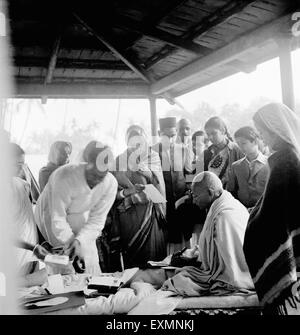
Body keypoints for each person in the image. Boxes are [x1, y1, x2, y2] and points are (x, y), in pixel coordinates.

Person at [131, 172, 254, 296]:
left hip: (231, 276)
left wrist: (197, 260)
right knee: (162, 268)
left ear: (210, 192)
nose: (194, 201)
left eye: (196, 196)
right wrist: (194, 254)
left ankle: (128, 278)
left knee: (178, 280)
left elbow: (228, 269)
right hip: (216, 267)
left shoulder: (224, 216)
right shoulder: (224, 203)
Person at [243, 103, 300, 315]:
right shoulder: (286, 157)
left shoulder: (286, 161)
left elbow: (274, 215)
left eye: (261, 132)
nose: (261, 138)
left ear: (274, 128)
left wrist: (254, 222)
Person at [34, 141, 118, 275]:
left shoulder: (110, 183)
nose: (96, 181)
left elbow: (97, 220)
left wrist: (80, 241)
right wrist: (70, 242)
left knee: (88, 253)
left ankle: (93, 288)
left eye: (101, 176)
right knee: (64, 259)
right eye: (93, 175)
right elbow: (58, 218)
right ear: (85, 164)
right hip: (49, 214)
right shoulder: (63, 176)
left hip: (80, 213)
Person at [104, 125, 167, 269]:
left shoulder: (153, 156)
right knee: (133, 257)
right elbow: (113, 188)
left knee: (152, 257)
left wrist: (149, 174)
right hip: (128, 214)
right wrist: (129, 193)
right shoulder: (119, 160)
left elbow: (159, 186)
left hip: (151, 213)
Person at [10, 143, 50, 287]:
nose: (22, 168)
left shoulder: (21, 184)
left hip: (29, 254)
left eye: (23, 164)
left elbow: (32, 212)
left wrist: (40, 242)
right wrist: (32, 247)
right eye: (17, 164)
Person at [152, 117, 191, 253]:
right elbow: (150, 181)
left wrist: (187, 195)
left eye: (173, 135)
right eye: (166, 136)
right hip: (163, 204)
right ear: (159, 133)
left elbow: (189, 174)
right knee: (166, 240)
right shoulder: (152, 152)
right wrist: (158, 203)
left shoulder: (184, 149)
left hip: (182, 202)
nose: (170, 139)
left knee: (185, 242)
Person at [227, 126, 269, 208]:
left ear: (255, 141)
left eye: (243, 143)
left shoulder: (269, 163)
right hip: (241, 210)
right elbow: (231, 191)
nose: (241, 147)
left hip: (263, 210)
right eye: (238, 144)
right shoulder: (236, 166)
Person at [204, 116, 244, 188]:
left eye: (213, 133)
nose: (210, 137)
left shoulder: (237, 150)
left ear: (223, 131)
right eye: (208, 134)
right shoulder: (207, 153)